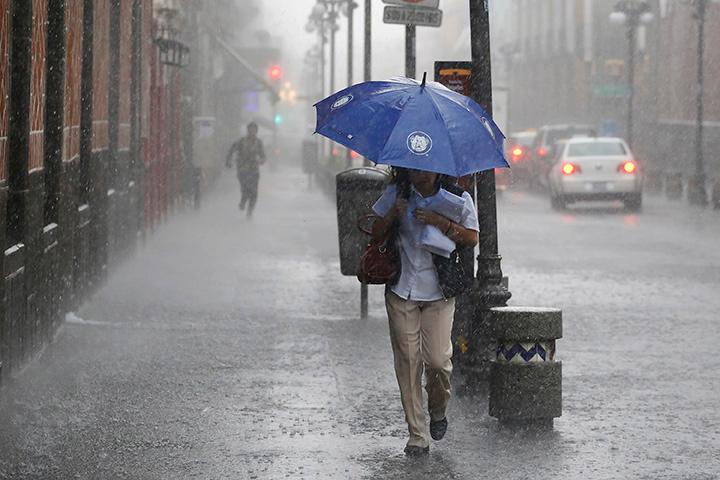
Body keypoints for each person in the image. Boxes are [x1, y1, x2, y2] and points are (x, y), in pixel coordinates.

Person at [371, 167, 479, 457]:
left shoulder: (457, 197)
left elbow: (471, 238)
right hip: (401, 289)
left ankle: (438, 409)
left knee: (438, 362)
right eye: (416, 168)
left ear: (439, 170)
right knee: (407, 362)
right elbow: (375, 233)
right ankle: (417, 434)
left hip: (439, 292)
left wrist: (441, 222)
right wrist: (394, 212)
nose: (422, 175)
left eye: (428, 170)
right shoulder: (398, 193)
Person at [226, 122, 266, 216]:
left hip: (254, 170)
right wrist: (228, 160)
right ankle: (243, 201)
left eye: (254, 129)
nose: (253, 131)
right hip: (243, 169)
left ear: (256, 131)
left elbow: (263, 155)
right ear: (248, 130)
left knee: (254, 193)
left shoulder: (258, 142)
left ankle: (250, 211)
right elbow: (232, 149)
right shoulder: (241, 141)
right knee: (245, 189)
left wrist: (262, 160)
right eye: (251, 129)